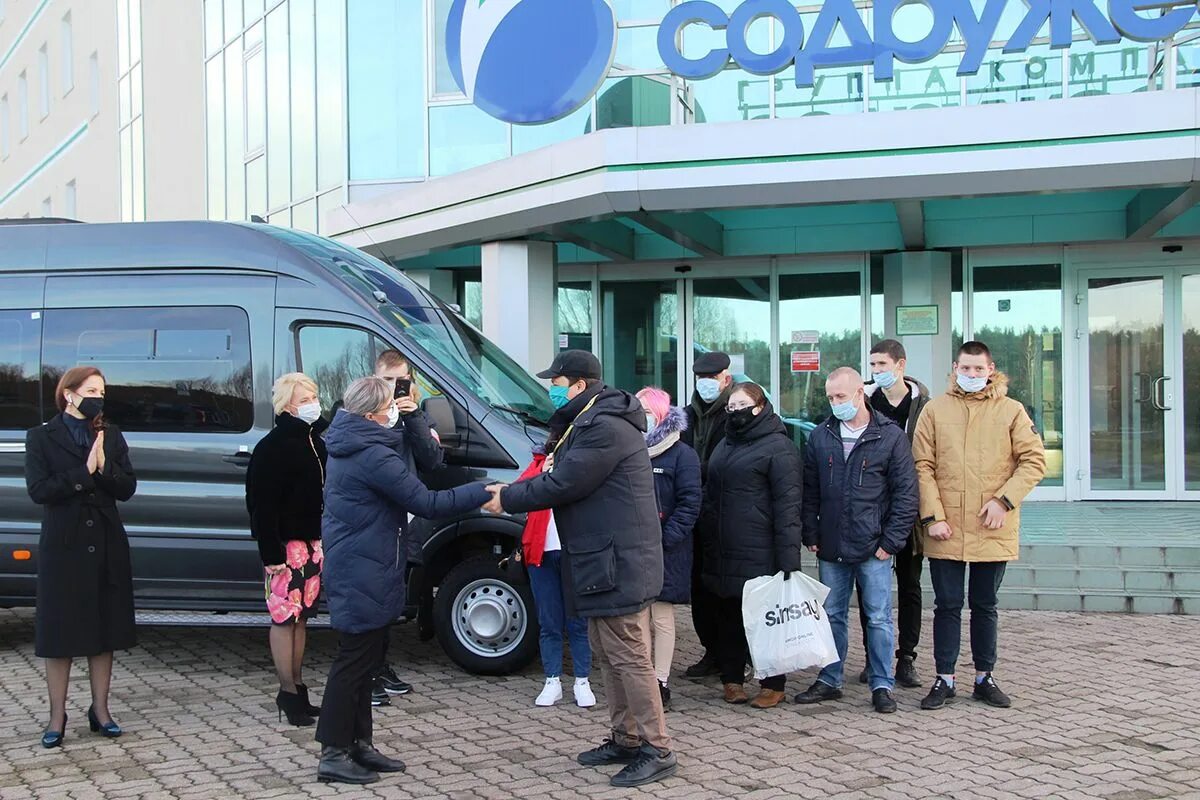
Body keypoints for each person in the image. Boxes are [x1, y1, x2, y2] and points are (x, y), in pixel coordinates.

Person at [484, 351, 677, 789]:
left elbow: (567, 481)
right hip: (599, 558)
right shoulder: (587, 421)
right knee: (608, 652)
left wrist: (508, 498)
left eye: (557, 380)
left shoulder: (603, 426)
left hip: (617, 560)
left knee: (630, 656)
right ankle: (625, 738)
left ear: (579, 385)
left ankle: (657, 748)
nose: (551, 388)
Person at [315, 377, 493, 784]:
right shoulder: (371, 456)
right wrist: (483, 490)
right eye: (389, 407)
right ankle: (333, 752)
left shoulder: (357, 444)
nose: (394, 410)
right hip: (363, 568)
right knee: (353, 663)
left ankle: (359, 744)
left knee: (365, 660)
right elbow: (426, 501)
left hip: (367, 564)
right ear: (372, 414)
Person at [912, 341, 1046, 711]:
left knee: (985, 605)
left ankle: (985, 677)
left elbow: (1034, 461)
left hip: (991, 526)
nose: (971, 375)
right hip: (947, 528)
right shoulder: (935, 410)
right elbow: (921, 465)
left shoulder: (1011, 411)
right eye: (965, 368)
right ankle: (945, 678)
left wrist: (1004, 500)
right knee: (947, 605)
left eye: (978, 369)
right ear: (955, 367)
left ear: (991, 369)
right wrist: (933, 517)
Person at [794, 368, 919, 714]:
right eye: (830, 398)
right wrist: (812, 533)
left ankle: (882, 683)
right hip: (831, 545)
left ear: (859, 394)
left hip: (873, 546)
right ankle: (830, 678)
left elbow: (906, 495)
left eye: (841, 397)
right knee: (832, 614)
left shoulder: (890, 436)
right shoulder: (820, 437)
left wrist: (890, 542)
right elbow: (810, 492)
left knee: (878, 616)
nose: (835, 404)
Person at [25, 367, 136, 748]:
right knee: (61, 633)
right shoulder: (41, 437)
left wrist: (104, 466)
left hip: (105, 541)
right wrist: (83, 472)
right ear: (69, 394)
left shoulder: (110, 434)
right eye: (91, 390)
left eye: (102, 391)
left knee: (102, 631)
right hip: (64, 546)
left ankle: (101, 710)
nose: (98, 397)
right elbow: (39, 490)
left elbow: (127, 487)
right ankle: (57, 715)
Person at [698, 382, 802, 709]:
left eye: (741, 404)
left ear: (759, 407)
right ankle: (732, 679)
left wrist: (789, 560)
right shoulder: (725, 442)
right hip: (723, 547)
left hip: (762, 551)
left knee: (766, 619)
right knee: (728, 615)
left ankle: (774, 683)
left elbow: (788, 507)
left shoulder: (779, 447)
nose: (734, 410)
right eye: (731, 406)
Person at [245, 373, 328, 726]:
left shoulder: (315, 442)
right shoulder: (273, 446)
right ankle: (287, 692)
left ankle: (297, 685)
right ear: (289, 403)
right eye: (305, 396)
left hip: (312, 543)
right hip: (285, 545)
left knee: (302, 617)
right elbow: (262, 504)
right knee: (284, 616)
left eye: (314, 395)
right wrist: (271, 553)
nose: (313, 402)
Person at [853, 339, 931, 688]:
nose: (877, 372)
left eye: (883, 365)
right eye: (873, 366)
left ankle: (906, 658)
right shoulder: (865, 402)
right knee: (869, 588)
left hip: (908, 509)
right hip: (870, 507)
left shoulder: (924, 406)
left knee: (909, 585)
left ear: (901, 365)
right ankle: (875, 658)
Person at [371, 350, 444, 705]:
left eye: (401, 381)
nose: (393, 389)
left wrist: (412, 417)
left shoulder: (417, 416)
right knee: (371, 598)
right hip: (373, 522)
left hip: (406, 523)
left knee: (393, 599)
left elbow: (431, 460)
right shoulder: (363, 414)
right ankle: (367, 671)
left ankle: (380, 665)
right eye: (387, 381)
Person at [636, 387, 702, 711]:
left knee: (660, 617)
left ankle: (660, 682)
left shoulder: (682, 455)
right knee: (638, 617)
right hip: (635, 549)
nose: (641, 417)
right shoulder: (630, 450)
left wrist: (664, 539)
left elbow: (690, 504)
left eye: (646, 411)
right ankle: (643, 678)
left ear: (661, 414)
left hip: (667, 548)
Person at [519, 449, 595, 709]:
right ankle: (552, 680)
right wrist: (541, 473)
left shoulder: (582, 462)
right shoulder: (539, 463)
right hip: (540, 553)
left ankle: (582, 680)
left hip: (574, 553)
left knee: (578, 622)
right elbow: (518, 492)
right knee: (548, 621)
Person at [679, 351, 735, 679]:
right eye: (701, 378)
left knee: (725, 587)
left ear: (726, 379)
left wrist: (696, 470)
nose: (706, 384)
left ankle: (732, 653)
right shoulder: (685, 416)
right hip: (692, 513)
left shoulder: (735, 414)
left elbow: (727, 463)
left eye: (712, 378)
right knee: (699, 586)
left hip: (725, 512)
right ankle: (710, 651)